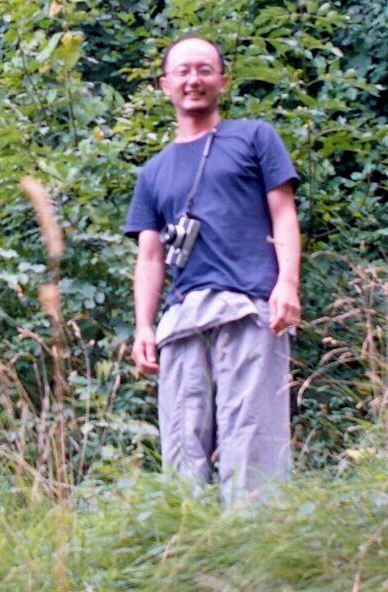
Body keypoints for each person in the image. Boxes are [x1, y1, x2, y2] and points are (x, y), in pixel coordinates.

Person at [125, 35, 301, 500]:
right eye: (182, 72)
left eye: (204, 70)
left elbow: (284, 214)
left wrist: (287, 284)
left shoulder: (254, 137)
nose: (193, 80)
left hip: (249, 306)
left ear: (223, 80)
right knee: (182, 450)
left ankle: (257, 552)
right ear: (165, 85)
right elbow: (150, 255)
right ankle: (190, 554)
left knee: (253, 442)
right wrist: (144, 327)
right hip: (182, 321)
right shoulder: (153, 172)